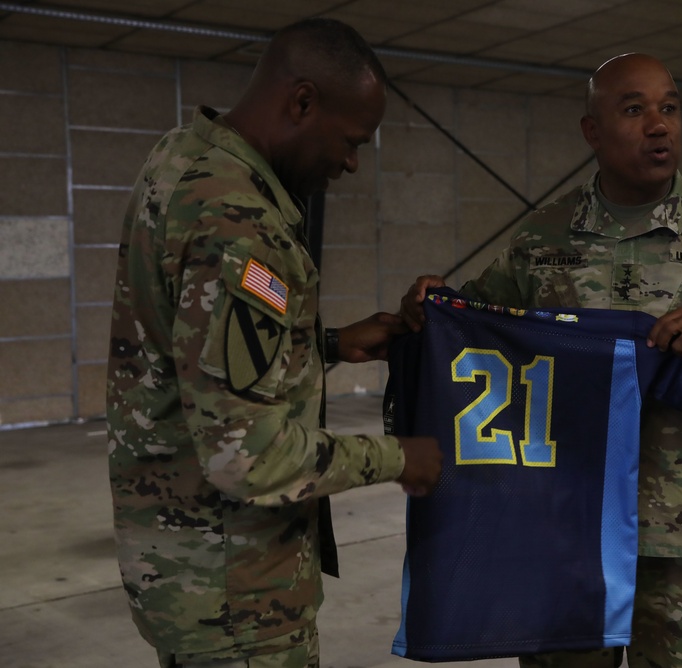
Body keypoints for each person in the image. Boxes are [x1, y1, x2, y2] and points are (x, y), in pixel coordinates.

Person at [401, 53, 682, 668]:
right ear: (592, 132)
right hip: (564, 532)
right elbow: (470, 331)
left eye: (670, 108)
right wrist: (427, 307)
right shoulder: (542, 241)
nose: (660, 125)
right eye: (635, 109)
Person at [106, 18, 441, 668]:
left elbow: (199, 344)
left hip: (185, 573)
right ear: (302, 101)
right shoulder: (240, 227)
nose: (348, 162)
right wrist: (398, 458)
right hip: (239, 596)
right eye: (350, 141)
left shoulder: (183, 158)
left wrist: (334, 343)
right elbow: (246, 456)